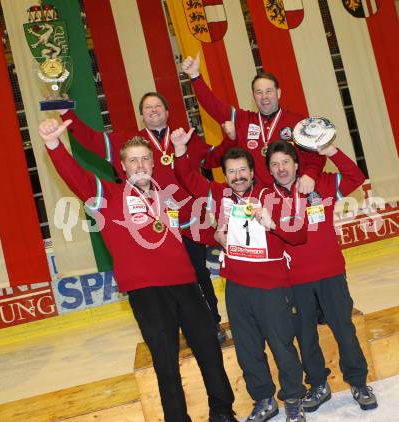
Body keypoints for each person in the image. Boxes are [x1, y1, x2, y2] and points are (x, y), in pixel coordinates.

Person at [38, 118, 237, 422]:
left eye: (145, 158)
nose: (140, 164)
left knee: (209, 350)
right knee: (166, 363)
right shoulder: (108, 196)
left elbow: (194, 230)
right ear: (122, 167)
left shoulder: (169, 195)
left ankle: (222, 412)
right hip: (147, 291)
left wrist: (218, 236)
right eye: (133, 160)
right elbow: (75, 176)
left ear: (153, 163)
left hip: (185, 284)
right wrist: (54, 145)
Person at [59, 93, 224, 340]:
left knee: (198, 278)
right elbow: (90, 139)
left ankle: (212, 325)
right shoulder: (128, 143)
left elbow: (213, 158)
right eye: (148, 107)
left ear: (168, 112)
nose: (154, 110)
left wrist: (232, 137)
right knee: (160, 288)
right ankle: (177, 333)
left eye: (158, 106)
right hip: (150, 228)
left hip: (188, 225)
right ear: (142, 114)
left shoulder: (185, 138)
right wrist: (66, 112)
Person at [171, 127, 308, 422]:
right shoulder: (219, 195)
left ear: (252, 171)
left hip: (271, 286)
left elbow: (298, 236)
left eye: (242, 170)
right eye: (231, 172)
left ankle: (294, 399)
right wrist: (181, 151)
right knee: (247, 351)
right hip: (236, 287)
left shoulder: (271, 196)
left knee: (282, 345)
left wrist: (273, 224)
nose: (238, 176)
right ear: (225, 175)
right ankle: (263, 400)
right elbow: (189, 178)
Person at [264, 140, 378, 413]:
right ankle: (318, 384)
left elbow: (356, 177)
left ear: (296, 164)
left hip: (330, 273)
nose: (281, 169)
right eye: (275, 164)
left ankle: (359, 382)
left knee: (344, 329)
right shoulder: (264, 197)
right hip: (295, 280)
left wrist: (331, 153)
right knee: (305, 336)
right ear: (268, 169)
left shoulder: (320, 184)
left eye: (286, 162)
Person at [181, 53, 326, 193]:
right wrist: (195, 76)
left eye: (269, 91)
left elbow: (318, 154)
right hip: (259, 200)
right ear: (253, 96)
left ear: (279, 93)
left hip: (294, 194)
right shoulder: (242, 120)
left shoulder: (297, 122)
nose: (264, 97)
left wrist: (310, 175)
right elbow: (213, 105)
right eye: (259, 92)